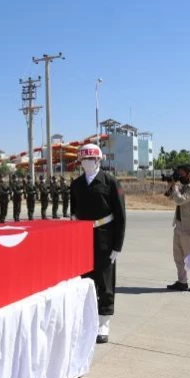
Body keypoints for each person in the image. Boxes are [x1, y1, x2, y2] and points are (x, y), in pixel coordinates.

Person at [70, 144, 126, 345]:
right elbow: (74, 214)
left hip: (104, 238)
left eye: (90, 160)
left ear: (98, 161)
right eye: (83, 160)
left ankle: (104, 321)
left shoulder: (110, 182)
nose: (86, 163)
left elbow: (120, 216)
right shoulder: (76, 184)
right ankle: (88, 318)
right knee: (86, 281)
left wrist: (117, 246)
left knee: (105, 281)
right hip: (84, 239)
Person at [165, 164, 190, 292]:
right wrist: (170, 185)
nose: (180, 176)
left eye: (181, 174)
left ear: (189, 174)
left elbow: (180, 200)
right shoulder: (184, 186)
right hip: (179, 226)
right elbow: (170, 196)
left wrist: (175, 186)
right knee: (178, 256)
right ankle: (182, 282)